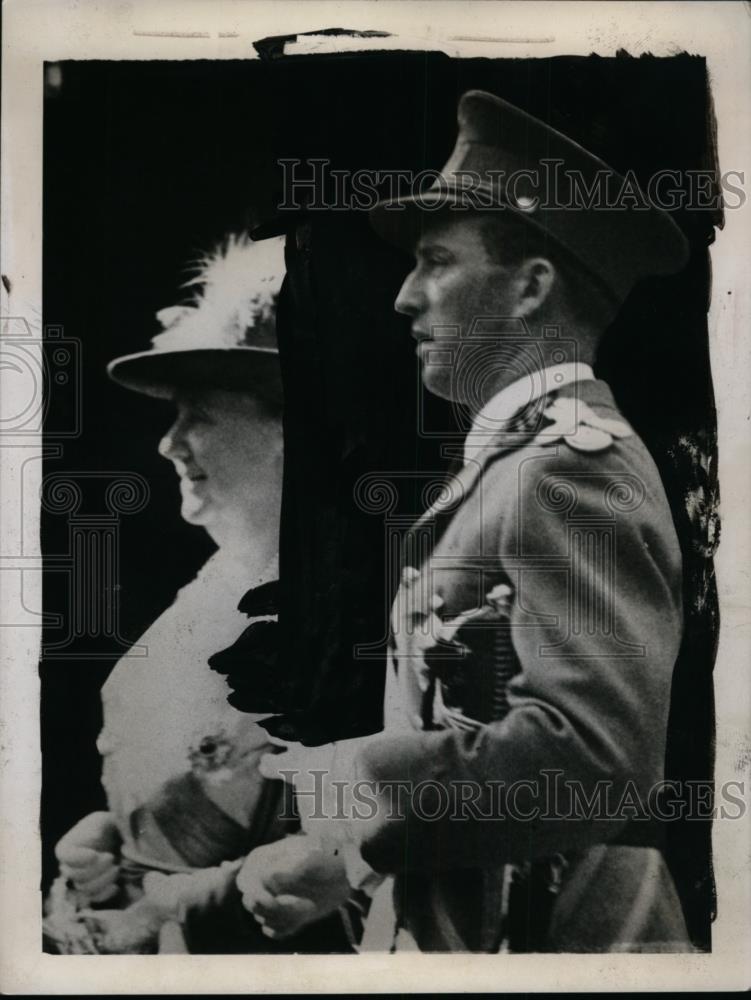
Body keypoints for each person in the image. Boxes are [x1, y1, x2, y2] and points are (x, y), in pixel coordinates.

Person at [235, 90, 695, 952]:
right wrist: (353, 859)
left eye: (436, 261)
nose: (404, 298)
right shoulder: (517, 466)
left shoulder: (569, 467)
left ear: (529, 288)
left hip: (564, 939)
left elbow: (590, 762)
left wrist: (351, 783)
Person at [45, 233, 348, 954]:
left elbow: (340, 858)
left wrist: (156, 909)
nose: (169, 443)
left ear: (291, 433)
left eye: (200, 416)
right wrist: (105, 846)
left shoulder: (351, 611)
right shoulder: (213, 589)